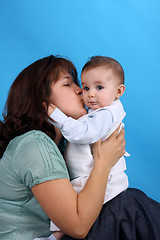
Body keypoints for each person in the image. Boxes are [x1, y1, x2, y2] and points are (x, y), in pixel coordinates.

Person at [0, 55, 126, 240]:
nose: (80, 91)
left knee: (128, 205)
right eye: (68, 84)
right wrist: (104, 162)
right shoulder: (35, 144)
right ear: (43, 102)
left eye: (77, 84)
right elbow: (78, 227)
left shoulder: (59, 146)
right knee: (127, 207)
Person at [49, 56, 130, 234]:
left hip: (103, 183)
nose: (90, 94)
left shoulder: (107, 114)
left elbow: (84, 133)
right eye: (86, 87)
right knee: (69, 215)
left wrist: (56, 115)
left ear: (119, 91)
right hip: (89, 178)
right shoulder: (97, 113)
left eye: (99, 87)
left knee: (75, 216)